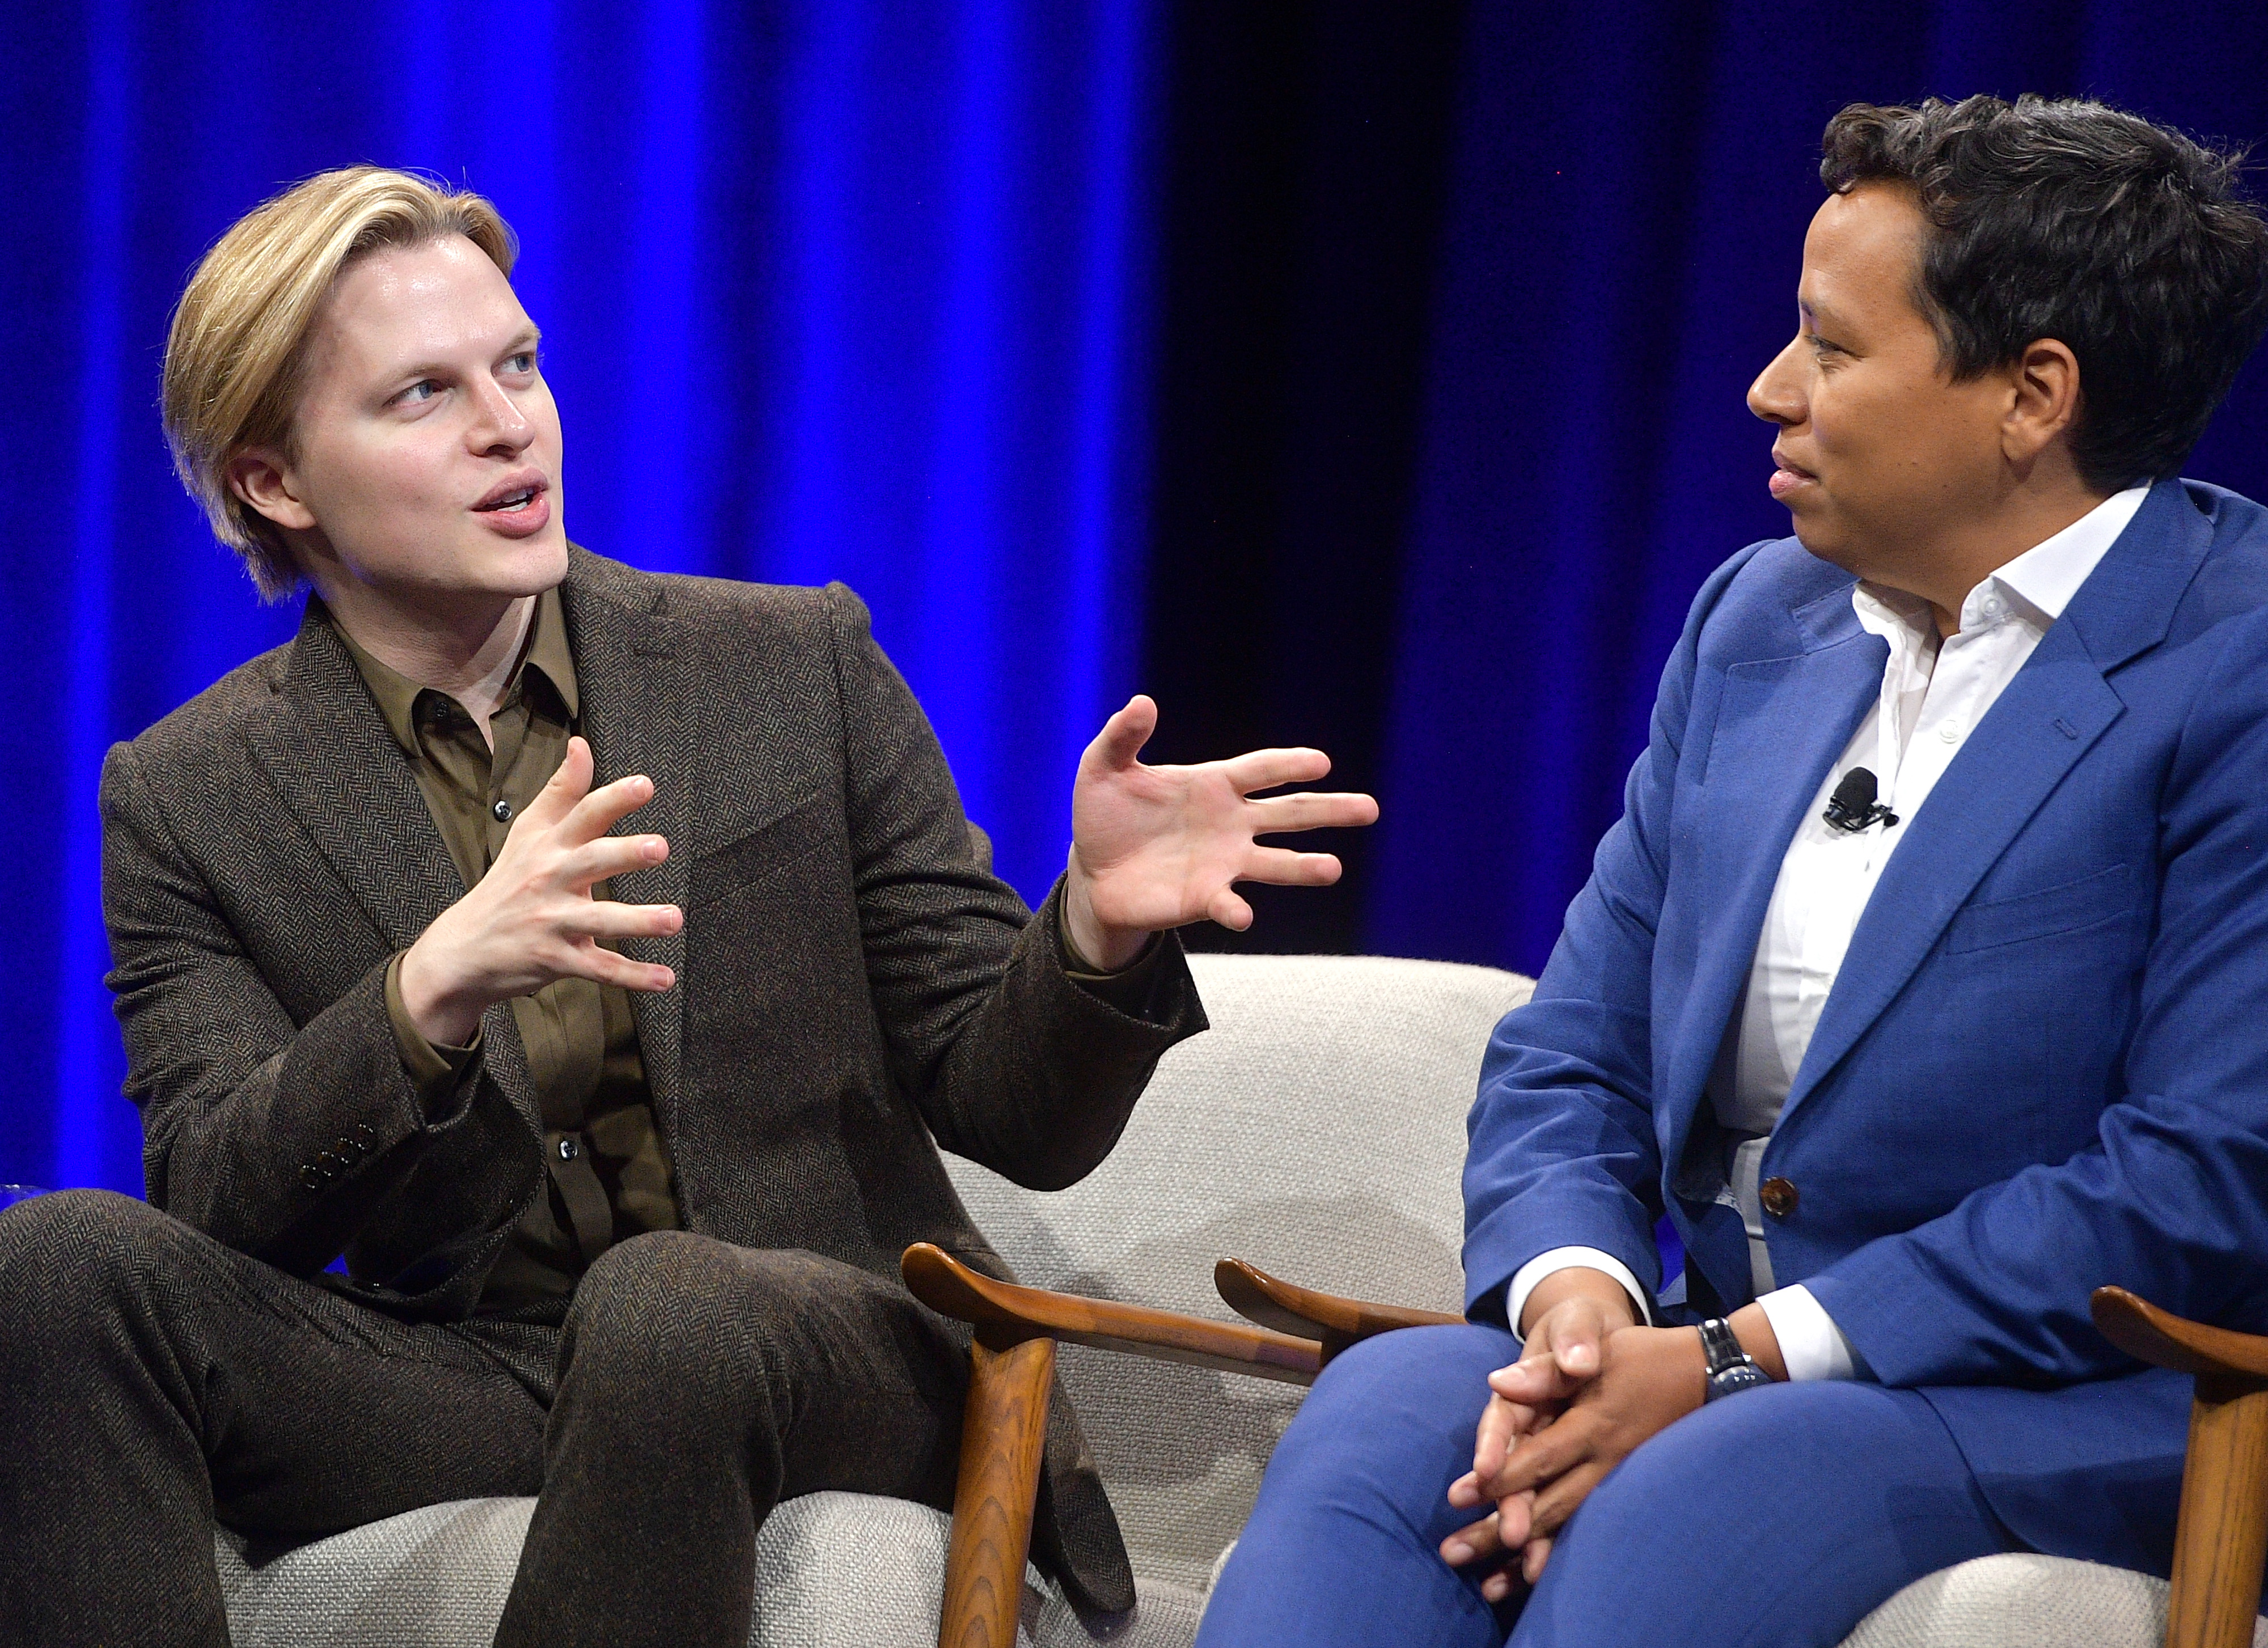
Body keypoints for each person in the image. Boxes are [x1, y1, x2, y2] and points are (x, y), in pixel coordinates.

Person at [0, 166, 1377, 1647]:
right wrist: (422, 1000)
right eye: (420, 396)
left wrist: (1095, 931)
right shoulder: (192, 790)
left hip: (832, 1342)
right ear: (276, 480)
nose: (507, 424)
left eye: (517, 366)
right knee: (57, 1266)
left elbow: (1007, 1101)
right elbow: (214, 1198)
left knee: (664, 1307)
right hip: (478, 1366)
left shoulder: (789, 666)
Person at [1197, 93, 2268, 1648]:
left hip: (2095, 1394)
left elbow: (2203, 1177)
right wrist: (1583, 1307)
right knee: (1387, 1424)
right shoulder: (1760, 621)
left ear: (2033, 395)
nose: (1770, 390)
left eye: (1834, 349)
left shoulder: (2236, 663)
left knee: (1693, 1495)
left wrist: (1743, 1358)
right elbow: (1577, 1053)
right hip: (1705, 1352)